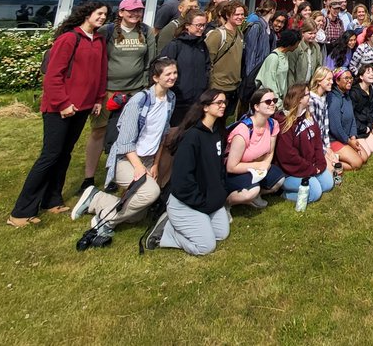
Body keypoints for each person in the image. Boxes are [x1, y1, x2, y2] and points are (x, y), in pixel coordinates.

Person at [8, 2, 109, 227]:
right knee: (50, 155)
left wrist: (98, 98)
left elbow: (100, 72)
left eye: (105, 15)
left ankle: (52, 199)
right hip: (60, 108)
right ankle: (21, 211)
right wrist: (62, 103)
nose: (102, 18)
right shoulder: (69, 39)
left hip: (83, 107)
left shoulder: (99, 40)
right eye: (99, 13)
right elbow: (53, 76)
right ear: (86, 14)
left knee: (65, 153)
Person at [71, 56, 176, 235]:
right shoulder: (139, 101)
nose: (173, 77)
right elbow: (125, 142)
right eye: (168, 74)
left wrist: (156, 164)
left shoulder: (171, 99)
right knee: (150, 193)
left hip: (149, 159)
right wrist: (138, 167)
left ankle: (97, 198)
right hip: (126, 159)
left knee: (138, 215)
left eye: (175, 73)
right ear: (155, 78)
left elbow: (162, 135)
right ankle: (105, 221)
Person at [78, 0, 156, 192]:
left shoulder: (146, 31)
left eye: (138, 10)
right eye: (130, 10)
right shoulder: (107, 31)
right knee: (100, 131)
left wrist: (147, 89)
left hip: (136, 91)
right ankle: (89, 177)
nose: (135, 14)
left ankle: (119, 173)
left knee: (129, 134)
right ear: (121, 12)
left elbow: (150, 61)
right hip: (109, 91)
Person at [144, 89, 230, 255]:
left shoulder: (217, 133)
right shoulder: (191, 137)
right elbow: (182, 180)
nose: (223, 106)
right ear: (205, 107)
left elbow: (218, 170)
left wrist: (220, 192)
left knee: (221, 233)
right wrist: (200, 203)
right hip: (187, 201)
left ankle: (189, 223)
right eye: (218, 102)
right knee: (205, 246)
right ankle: (166, 233)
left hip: (209, 198)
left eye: (224, 102)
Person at [272, 84, 334, 205]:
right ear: (299, 98)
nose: (310, 97)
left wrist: (320, 164)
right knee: (315, 192)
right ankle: (282, 193)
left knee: (328, 184)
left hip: (309, 166)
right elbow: (289, 156)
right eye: (307, 95)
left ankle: (311, 179)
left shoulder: (308, 117)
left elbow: (317, 144)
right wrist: (311, 169)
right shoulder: (285, 124)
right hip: (290, 172)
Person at [224, 88, 285, 208]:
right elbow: (231, 167)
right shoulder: (243, 130)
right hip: (237, 171)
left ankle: (256, 194)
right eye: (268, 101)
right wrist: (258, 166)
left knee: (279, 181)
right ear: (256, 107)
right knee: (251, 191)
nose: (272, 103)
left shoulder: (273, 124)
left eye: (274, 100)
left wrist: (265, 165)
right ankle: (226, 203)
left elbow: (270, 152)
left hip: (258, 167)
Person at [161, 8, 211, 126]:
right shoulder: (175, 45)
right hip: (178, 101)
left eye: (204, 25)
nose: (202, 28)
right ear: (187, 26)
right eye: (198, 25)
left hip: (197, 101)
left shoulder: (202, 45)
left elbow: (207, 68)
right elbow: (162, 71)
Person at [205, 0, 247, 120]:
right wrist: (211, 84)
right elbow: (207, 61)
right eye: (236, 14)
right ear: (228, 15)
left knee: (226, 123)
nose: (240, 17)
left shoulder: (240, 34)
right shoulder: (218, 35)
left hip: (234, 88)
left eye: (242, 14)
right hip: (217, 86)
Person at [309, 68, 355, 175]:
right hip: (315, 146)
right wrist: (323, 151)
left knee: (339, 169)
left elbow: (325, 128)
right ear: (319, 81)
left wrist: (328, 148)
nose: (332, 82)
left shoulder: (325, 98)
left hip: (324, 144)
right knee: (332, 172)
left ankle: (333, 160)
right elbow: (313, 132)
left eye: (331, 79)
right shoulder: (311, 101)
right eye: (328, 79)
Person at [326, 69, 368, 170]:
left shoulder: (347, 95)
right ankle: (331, 161)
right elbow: (335, 129)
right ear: (337, 81)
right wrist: (349, 142)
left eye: (351, 78)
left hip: (347, 138)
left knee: (364, 157)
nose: (349, 80)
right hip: (334, 139)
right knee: (357, 163)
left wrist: (353, 137)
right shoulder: (334, 100)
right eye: (346, 78)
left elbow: (352, 118)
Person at [239, 0, 276, 106]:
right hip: (254, 74)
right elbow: (250, 54)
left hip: (265, 71)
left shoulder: (270, 27)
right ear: (273, 10)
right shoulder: (256, 26)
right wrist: (250, 79)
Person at [255, 27, 299, 108]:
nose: (297, 46)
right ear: (291, 43)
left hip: (279, 99)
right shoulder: (274, 58)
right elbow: (269, 82)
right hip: (270, 100)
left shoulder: (285, 56)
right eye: (297, 44)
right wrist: (277, 102)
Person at [350, 62, 373, 154]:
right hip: (357, 128)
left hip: (367, 125)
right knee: (367, 152)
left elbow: (370, 110)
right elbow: (351, 115)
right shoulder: (354, 92)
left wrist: (370, 125)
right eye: (368, 72)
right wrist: (362, 128)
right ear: (361, 77)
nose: (372, 74)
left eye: (372, 72)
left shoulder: (370, 89)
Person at [289, 17, 323, 87]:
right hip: (296, 86)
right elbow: (290, 71)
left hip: (309, 85)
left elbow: (319, 66)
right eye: (310, 33)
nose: (313, 36)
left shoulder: (316, 47)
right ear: (302, 33)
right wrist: (291, 88)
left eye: (315, 33)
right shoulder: (296, 47)